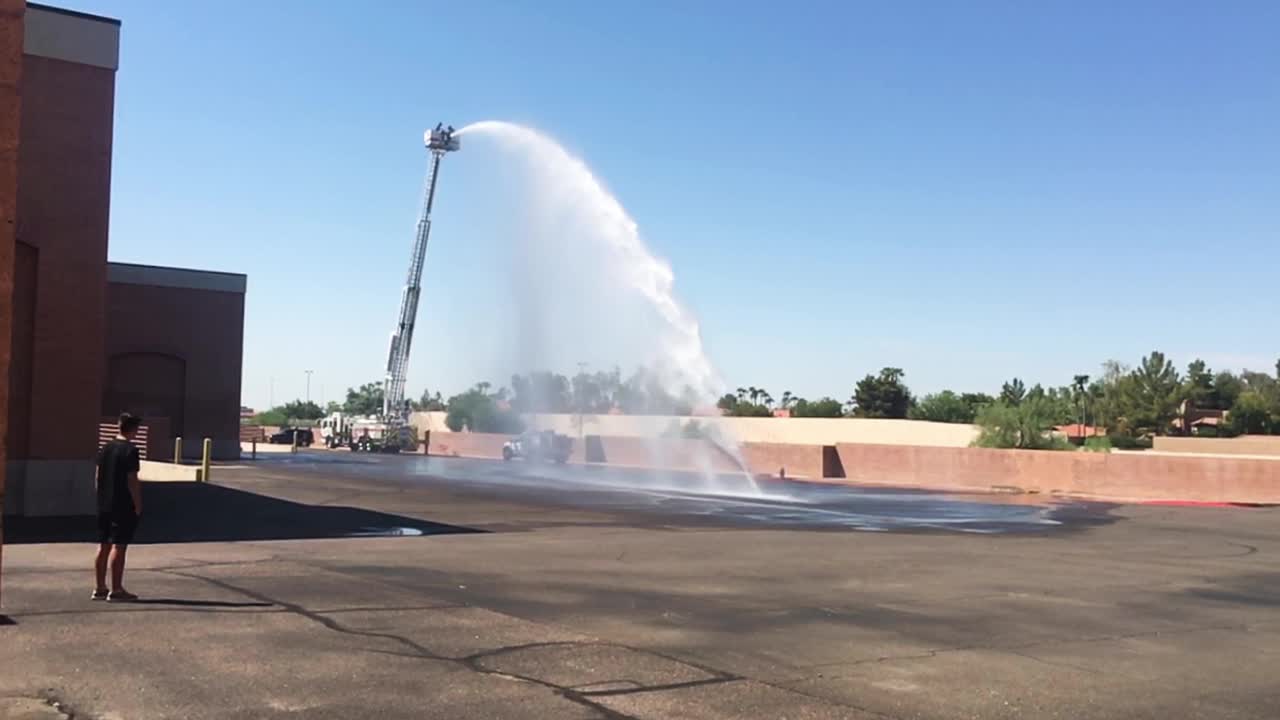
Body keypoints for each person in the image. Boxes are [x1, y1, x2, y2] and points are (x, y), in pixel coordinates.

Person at [93, 413, 144, 602]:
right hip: (122, 504)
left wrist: (100, 496)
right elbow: (132, 480)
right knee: (119, 545)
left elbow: (97, 475)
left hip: (104, 503)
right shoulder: (130, 450)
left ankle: (99, 587)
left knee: (103, 545)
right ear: (133, 429)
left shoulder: (105, 447)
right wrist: (138, 503)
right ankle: (116, 589)